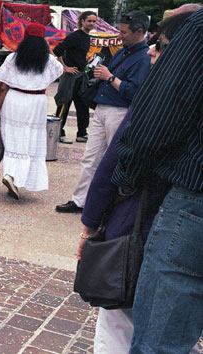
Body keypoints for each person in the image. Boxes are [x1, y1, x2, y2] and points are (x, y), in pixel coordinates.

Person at [75, 12, 194, 352]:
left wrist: (90, 224)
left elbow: (117, 164)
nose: (154, 50)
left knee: (120, 314)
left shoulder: (161, 99)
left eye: (163, 45)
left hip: (139, 222)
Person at [111, 8, 203, 353]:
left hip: (195, 201)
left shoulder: (198, 28)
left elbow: (160, 117)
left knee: (161, 345)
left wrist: (128, 177)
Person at [55, 11, 152, 213]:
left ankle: (108, 205)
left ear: (139, 31)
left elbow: (135, 91)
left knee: (113, 160)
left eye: (124, 32)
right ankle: (81, 200)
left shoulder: (143, 58)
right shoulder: (123, 51)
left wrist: (109, 77)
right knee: (90, 158)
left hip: (119, 111)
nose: (120, 35)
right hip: (102, 107)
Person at [0, 23, 64, 200]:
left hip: (14, 99)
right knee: (30, 139)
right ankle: (17, 178)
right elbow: (61, 70)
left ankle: (10, 174)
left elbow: (2, 87)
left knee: (12, 137)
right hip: (36, 101)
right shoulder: (48, 61)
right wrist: (48, 49)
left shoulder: (13, 58)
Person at [53, 11, 97, 144]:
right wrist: (65, 67)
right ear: (82, 21)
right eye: (89, 21)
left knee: (83, 105)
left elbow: (76, 52)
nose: (92, 23)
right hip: (70, 77)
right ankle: (58, 133)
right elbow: (58, 50)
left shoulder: (86, 36)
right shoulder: (75, 36)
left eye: (94, 21)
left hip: (81, 77)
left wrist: (85, 60)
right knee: (64, 104)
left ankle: (82, 133)